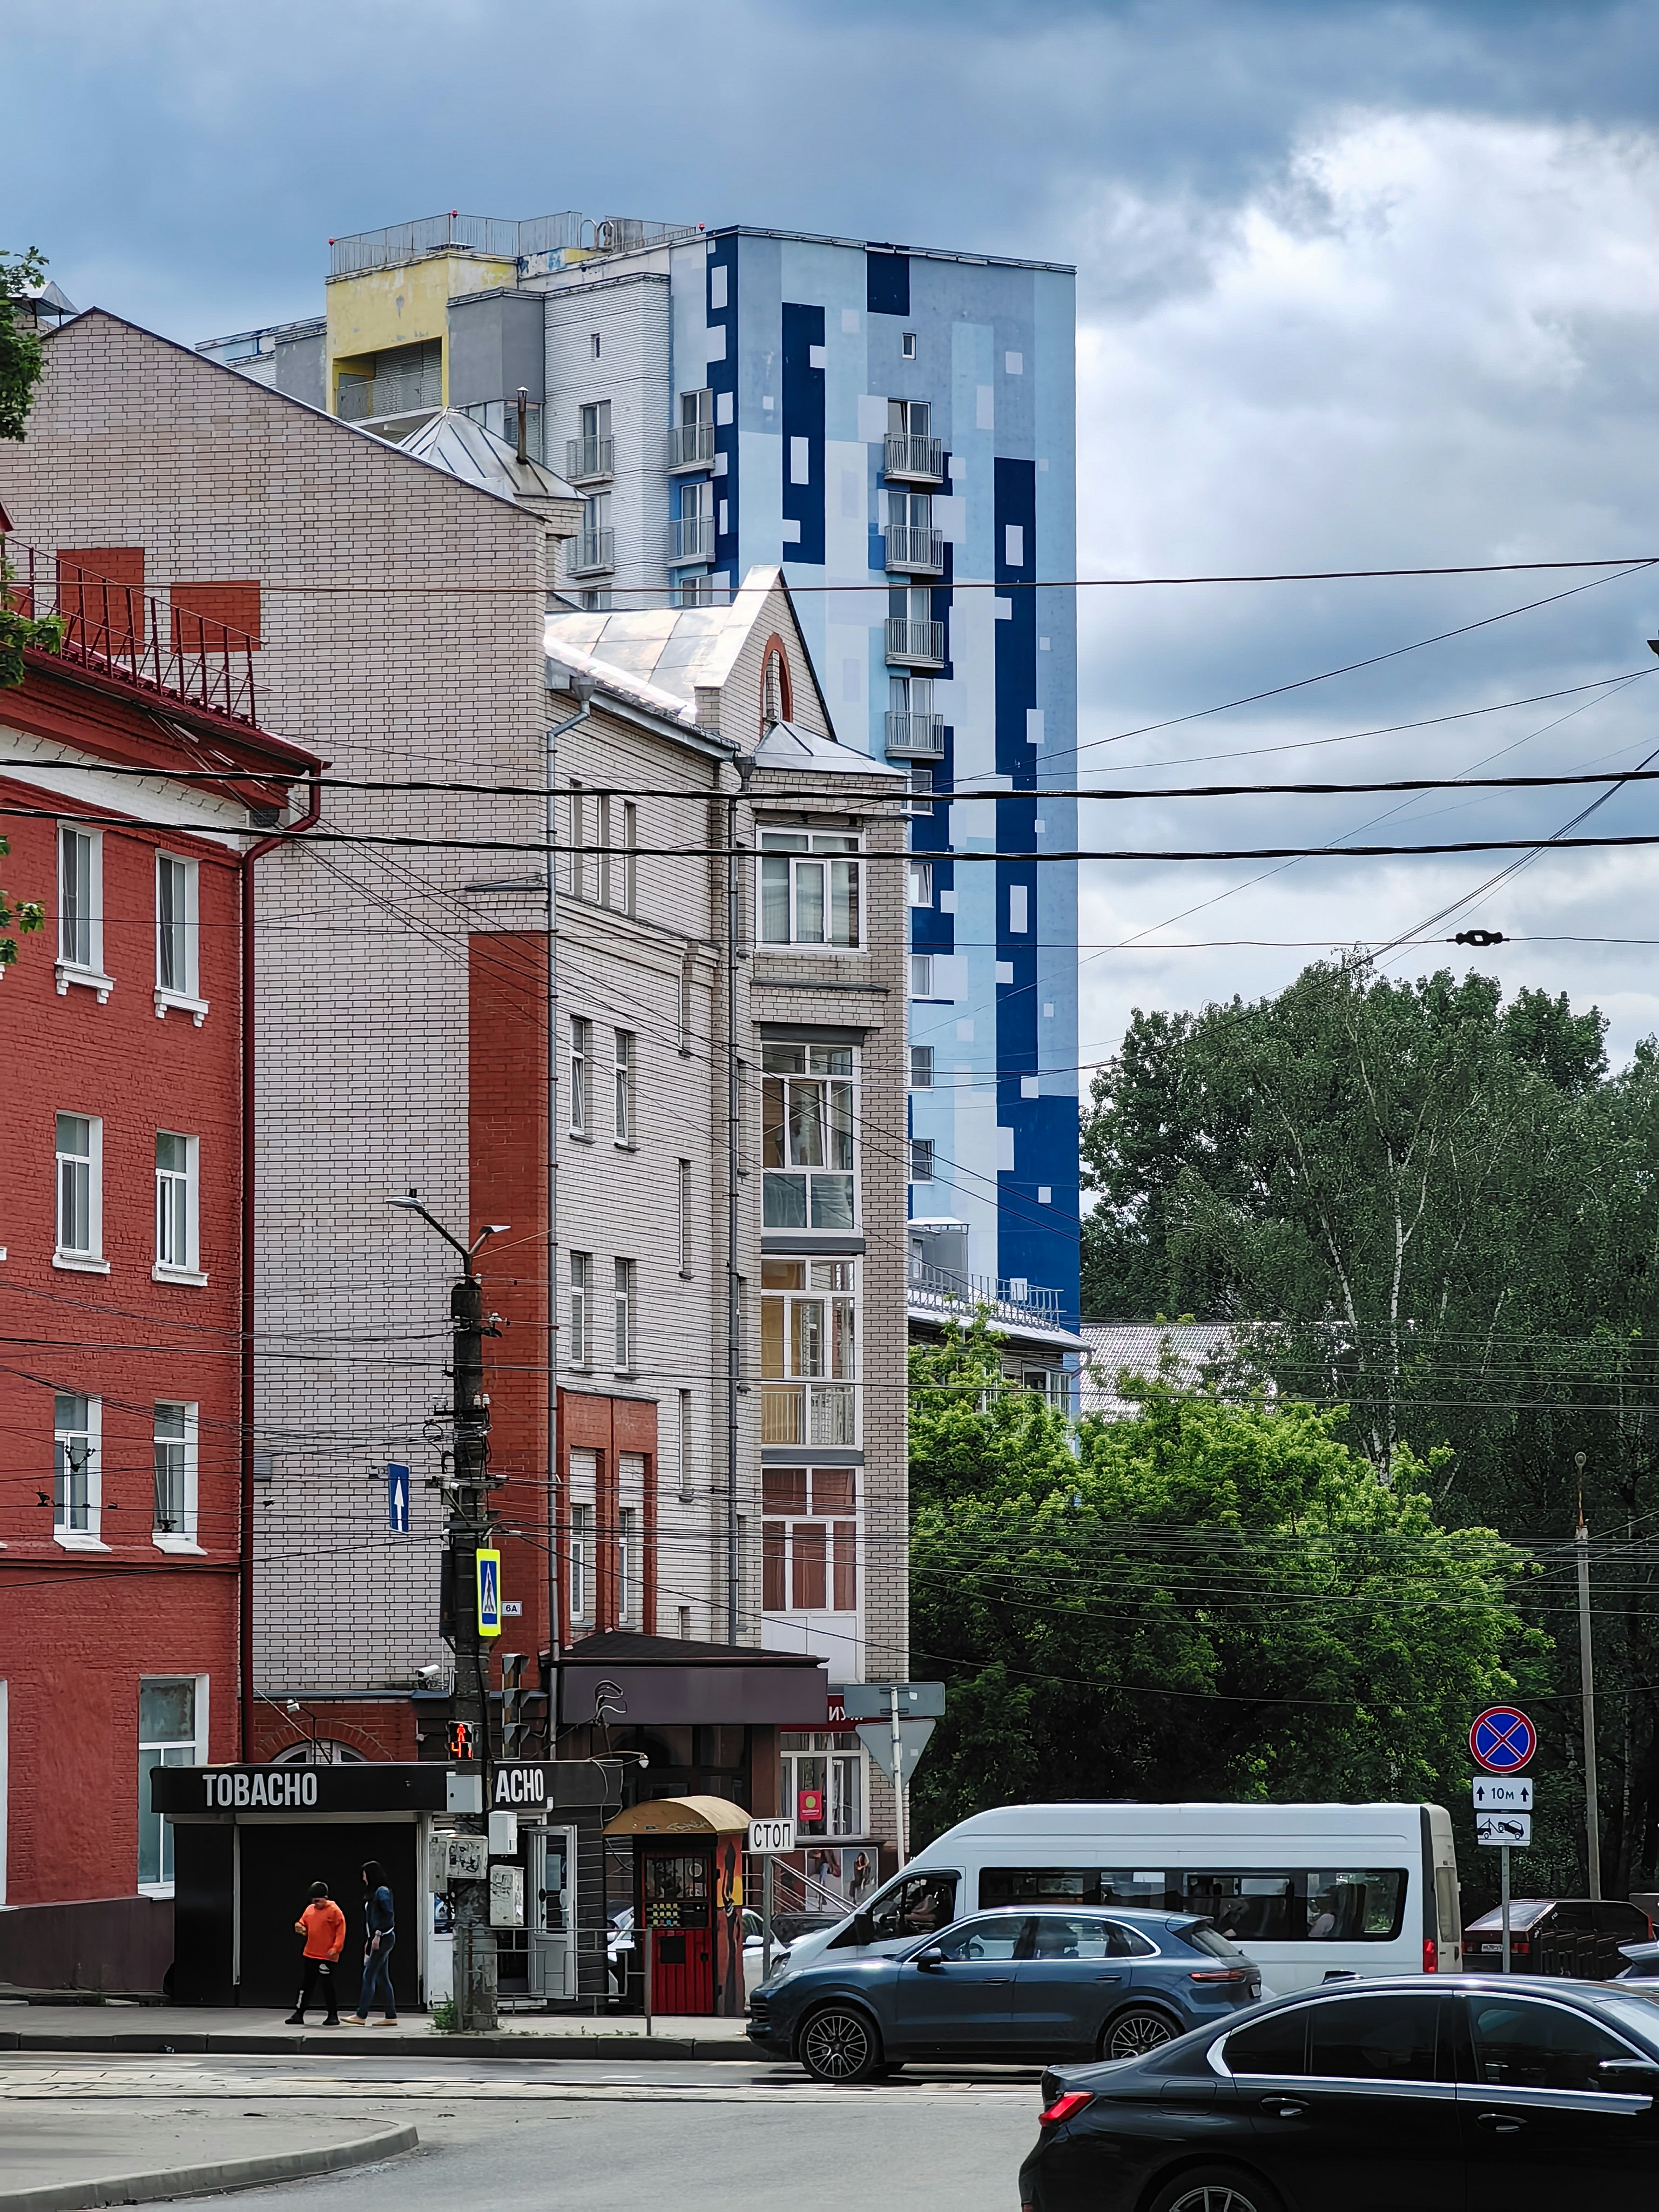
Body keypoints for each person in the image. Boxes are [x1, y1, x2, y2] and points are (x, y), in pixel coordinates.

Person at [285, 1879, 345, 2027]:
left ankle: (333, 2015)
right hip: (310, 1953)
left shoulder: (335, 1911)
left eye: (318, 1901)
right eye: (313, 1901)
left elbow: (341, 1932)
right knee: (306, 1985)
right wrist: (299, 1926)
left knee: (327, 1986)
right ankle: (299, 2013)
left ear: (326, 1898)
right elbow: (302, 1922)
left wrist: (336, 1948)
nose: (315, 1904)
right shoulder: (310, 1909)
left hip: (327, 1956)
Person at [352, 1860, 398, 2025]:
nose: (363, 1878)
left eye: (365, 1874)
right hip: (380, 1937)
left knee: (369, 1974)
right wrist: (370, 1938)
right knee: (382, 1977)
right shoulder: (378, 1892)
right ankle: (390, 2016)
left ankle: (361, 2015)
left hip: (384, 1937)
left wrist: (377, 1935)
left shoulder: (382, 1892)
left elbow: (388, 1915)